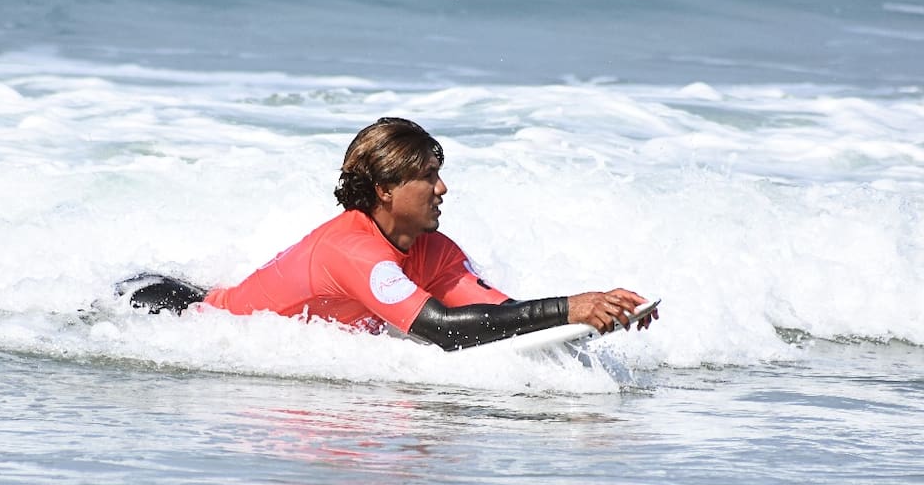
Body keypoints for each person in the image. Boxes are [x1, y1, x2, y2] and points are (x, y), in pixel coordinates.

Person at [124, 117, 657, 351]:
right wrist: (570, 308)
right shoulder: (354, 253)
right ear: (384, 189)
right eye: (427, 175)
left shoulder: (435, 249)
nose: (442, 188)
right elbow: (445, 330)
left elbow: (497, 312)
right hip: (176, 316)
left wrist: (599, 316)